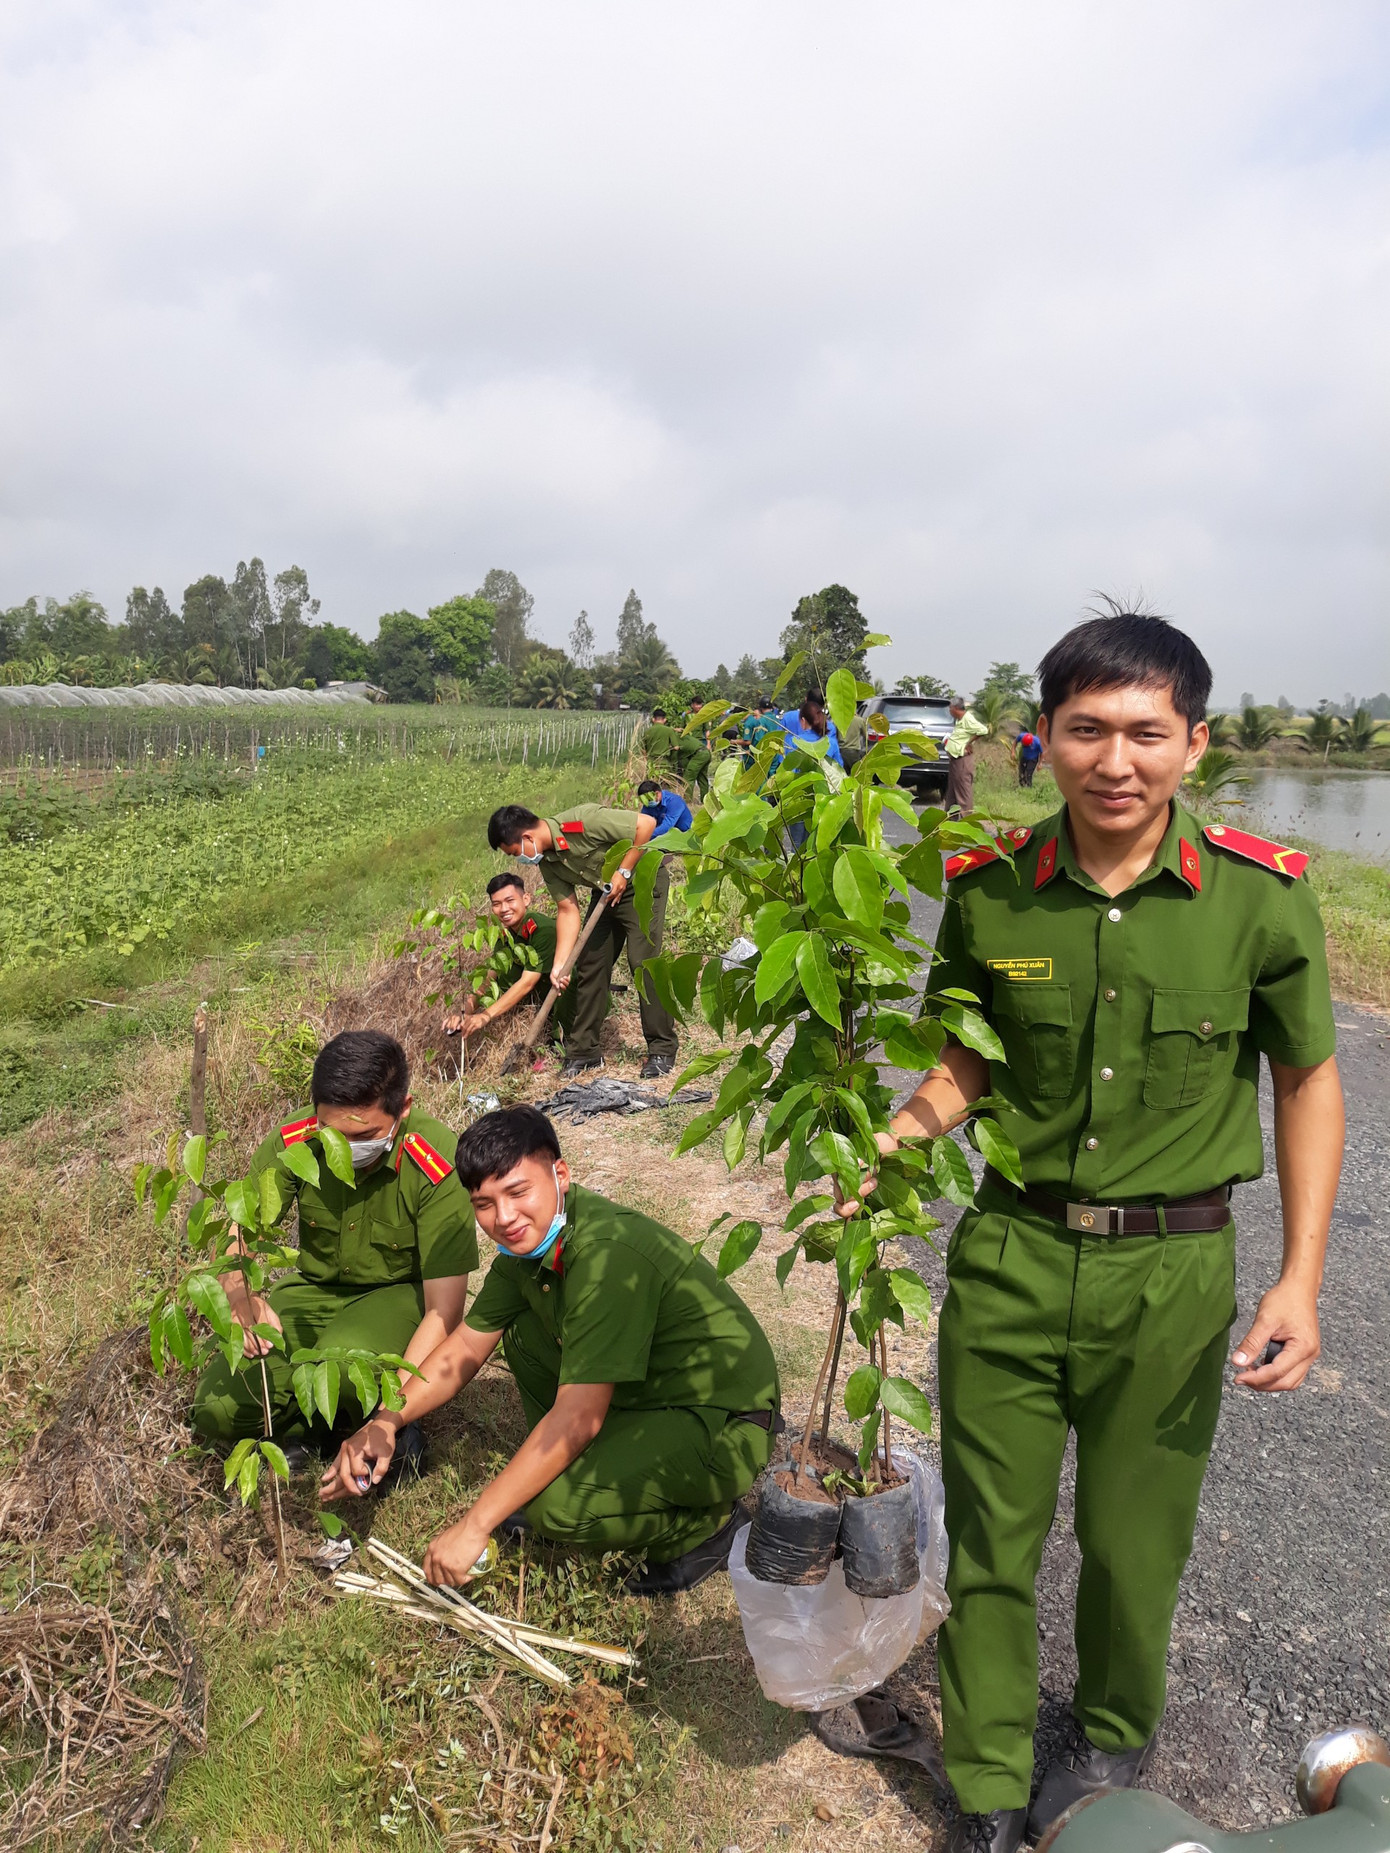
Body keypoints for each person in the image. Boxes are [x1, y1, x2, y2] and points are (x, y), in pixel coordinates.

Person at [839, 612, 1343, 1852]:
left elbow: (1307, 1081)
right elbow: (969, 1060)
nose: (1114, 760)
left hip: (1173, 1271)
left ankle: (1113, 1746)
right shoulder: (991, 893)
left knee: (1131, 1541)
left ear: (1194, 745)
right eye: (1085, 729)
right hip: (1012, 1254)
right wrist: (895, 1142)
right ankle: (990, 1776)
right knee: (993, 1531)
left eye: (1144, 732)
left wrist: (1301, 1278)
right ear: (1041, 739)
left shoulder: (1259, 900)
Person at [321, 1106, 781, 1594]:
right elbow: (465, 1349)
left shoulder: (605, 1257)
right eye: (483, 1203)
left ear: (560, 1174)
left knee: (558, 1510)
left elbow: (578, 1419)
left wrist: (475, 1524)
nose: (504, 1218)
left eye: (518, 1192)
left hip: (725, 1418)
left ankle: (706, 1529)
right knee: (521, 1332)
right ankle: (596, 1465)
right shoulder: (531, 1248)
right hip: (654, 1393)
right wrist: (386, 1421)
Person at [192, 1031, 478, 1482]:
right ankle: (313, 1424)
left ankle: (378, 1424)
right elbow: (236, 1229)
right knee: (216, 1409)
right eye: (332, 1135)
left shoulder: (435, 1158)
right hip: (310, 1291)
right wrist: (240, 1297)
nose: (344, 1148)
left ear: (402, 1110)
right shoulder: (296, 1139)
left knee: (340, 1370)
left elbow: (445, 1311)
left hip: (397, 1297)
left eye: (362, 1135)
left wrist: (393, 1414)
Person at [486, 801, 679, 1080]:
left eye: (516, 853)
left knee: (643, 962)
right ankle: (585, 1051)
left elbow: (645, 825)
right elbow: (567, 910)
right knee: (590, 965)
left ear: (527, 838)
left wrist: (623, 871)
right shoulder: (548, 861)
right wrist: (560, 965)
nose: (520, 860)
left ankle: (662, 1047)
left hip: (643, 882)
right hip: (605, 894)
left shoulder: (582, 822)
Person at [442, 871, 576, 1051]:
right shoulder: (506, 936)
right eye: (497, 904)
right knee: (504, 973)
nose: (504, 909)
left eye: (510, 901)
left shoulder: (541, 929)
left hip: (575, 1004)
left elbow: (527, 983)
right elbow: (489, 981)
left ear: (526, 899)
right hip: (547, 1007)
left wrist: (486, 1015)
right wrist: (464, 1013)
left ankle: (565, 1041)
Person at [943, 695, 989, 815]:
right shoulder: (959, 720)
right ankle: (949, 819)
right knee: (952, 792)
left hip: (962, 760)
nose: (949, 711)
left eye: (950, 708)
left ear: (955, 708)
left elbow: (983, 730)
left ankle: (966, 819)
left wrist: (969, 742)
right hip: (955, 759)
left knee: (963, 792)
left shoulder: (967, 719)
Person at [674, 701, 713, 797]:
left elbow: (707, 731)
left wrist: (708, 744)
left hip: (699, 745)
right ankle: (704, 799)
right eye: (697, 704)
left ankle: (688, 799)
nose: (699, 706)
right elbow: (682, 728)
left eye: (700, 704)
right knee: (700, 775)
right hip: (692, 745)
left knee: (690, 775)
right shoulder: (686, 715)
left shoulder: (703, 716)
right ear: (692, 705)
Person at [641, 706, 678, 770]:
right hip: (664, 763)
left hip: (651, 763)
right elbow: (676, 747)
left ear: (653, 719)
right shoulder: (669, 730)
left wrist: (646, 760)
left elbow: (643, 750)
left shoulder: (647, 731)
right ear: (665, 720)